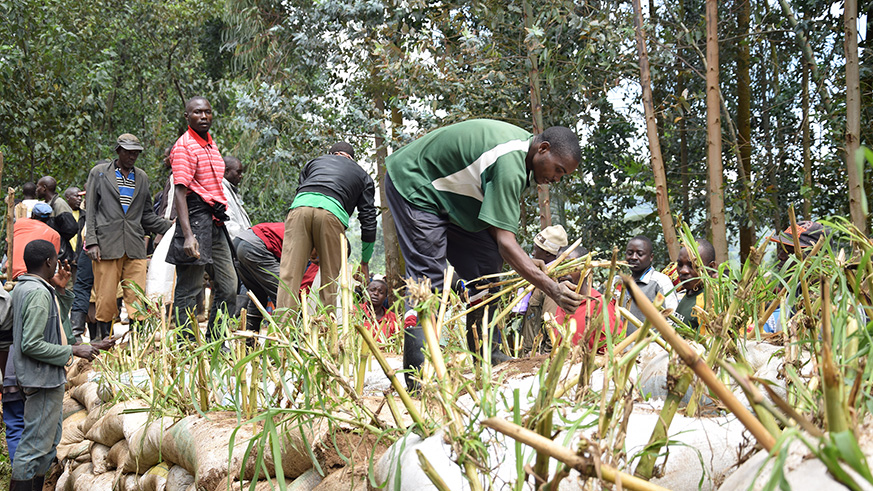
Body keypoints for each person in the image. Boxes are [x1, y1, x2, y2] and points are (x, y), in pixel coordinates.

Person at [384, 119, 584, 380]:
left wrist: (522, 258)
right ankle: (418, 372)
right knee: (427, 280)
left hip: (455, 204)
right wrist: (552, 288)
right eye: (558, 170)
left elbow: (495, 227)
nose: (556, 179)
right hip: (417, 185)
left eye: (563, 175)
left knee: (487, 267)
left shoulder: (522, 161)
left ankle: (488, 353)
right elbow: (506, 242)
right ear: (543, 148)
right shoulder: (510, 164)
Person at [10, 240, 100, 490]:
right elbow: (31, 344)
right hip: (41, 378)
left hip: (40, 376)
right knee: (33, 446)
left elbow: (52, 326)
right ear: (49, 262)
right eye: (55, 260)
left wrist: (59, 291)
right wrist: (73, 349)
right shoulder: (38, 293)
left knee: (46, 444)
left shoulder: (29, 287)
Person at [85, 133, 173, 338]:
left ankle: (137, 343)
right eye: (128, 152)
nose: (132, 156)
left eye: (136, 153)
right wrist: (92, 242)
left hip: (134, 244)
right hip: (106, 245)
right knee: (105, 297)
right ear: (118, 151)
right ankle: (103, 341)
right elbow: (90, 211)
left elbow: (147, 215)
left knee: (137, 296)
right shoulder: (99, 173)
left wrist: (171, 227)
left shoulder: (141, 177)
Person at [276, 142, 376, 315]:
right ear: (351, 158)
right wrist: (365, 262)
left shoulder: (314, 162)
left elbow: (302, 190)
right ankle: (324, 332)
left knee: (289, 276)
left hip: (299, 209)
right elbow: (368, 220)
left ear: (331, 154)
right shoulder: (362, 175)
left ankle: (281, 335)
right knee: (330, 280)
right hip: (332, 213)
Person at [167, 96, 238, 341]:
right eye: (197, 113)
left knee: (229, 286)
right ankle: (185, 345)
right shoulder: (184, 145)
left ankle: (216, 341)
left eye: (207, 112)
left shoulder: (210, 144)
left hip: (215, 220)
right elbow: (179, 191)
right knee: (189, 288)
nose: (204, 116)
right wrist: (187, 235)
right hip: (195, 218)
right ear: (187, 117)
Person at [763, 221, 827, 333]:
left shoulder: (838, 300)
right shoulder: (793, 294)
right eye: (781, 249)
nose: (780, 256)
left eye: (791, 251)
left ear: (817, 255)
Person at [554, 247, 621, 351]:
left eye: (569, 265)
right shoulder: (561, 302)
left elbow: (614, 350)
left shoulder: (601, 304)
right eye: (559, 266)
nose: (563, 271)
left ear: (586, 269)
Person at [514, 224, 568, 352]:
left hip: (537, 358)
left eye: (535, 249)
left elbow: (551, 328)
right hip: (528, 354)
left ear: (547, 253)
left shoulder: (550, 285)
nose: (532, 253)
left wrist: (543, 357)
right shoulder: (536, 281)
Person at [614, 235, 678, 334]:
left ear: (651, 257)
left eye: (640, 254)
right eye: (630, 253)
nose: (634, 257)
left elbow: (673, 319)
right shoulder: (618, 282)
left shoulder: (660, 282)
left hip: (650, 346)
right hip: (619, 346)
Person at [234, 222, 284, 332]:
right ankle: (290, 344)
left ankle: (249, 345)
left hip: (240, 241)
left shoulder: (290, 227)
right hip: (255, 246)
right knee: (284, 294)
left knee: (257, 296)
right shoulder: (311, 248)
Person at [674, 238, 717, 334]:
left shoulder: (710, 302)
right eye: (680, 264)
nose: (683, 271)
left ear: (710, 267)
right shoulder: (689, 292)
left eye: (692, 265)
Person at [9, 203, 60, 280]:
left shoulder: (18, 223)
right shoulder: (54, 235)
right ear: (48, 218)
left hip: (11, 271)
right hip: (34, 275)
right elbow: (52, 261)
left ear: (33, 215)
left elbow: (7, 247)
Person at [221, 156, 251, 241]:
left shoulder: (230, 190)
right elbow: (229, 223)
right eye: (238, 172)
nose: (241, 176)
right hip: (237, 242)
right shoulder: (223, 191)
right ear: (227, 171)